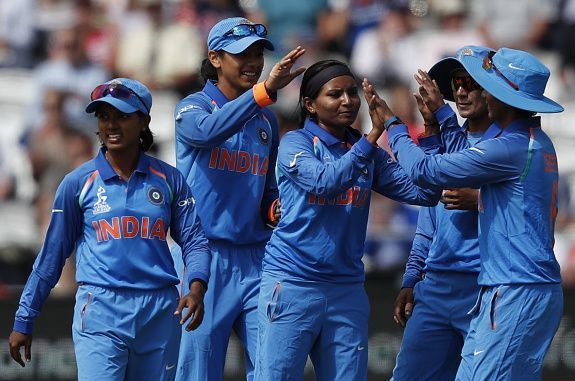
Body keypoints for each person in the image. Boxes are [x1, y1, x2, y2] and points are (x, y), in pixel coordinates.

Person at [363, 46, 564, 380]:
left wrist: (393, 125)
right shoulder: (531, 140)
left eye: (484, 84)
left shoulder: (507, 146)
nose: (475, 91)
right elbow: (449, 178)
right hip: (515, 285)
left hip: (514, 287)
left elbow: (426, 170)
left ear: (501, 95)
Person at [8, 78, 211, 380]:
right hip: (101, 309)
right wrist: (24, 318)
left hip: (159, 311)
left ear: (144, 122)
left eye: (122, 116)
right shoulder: (78, 183)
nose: (111, 125)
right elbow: (51, 257)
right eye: (104, 116)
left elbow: (195, 241)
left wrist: (196, 287)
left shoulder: (169, 179)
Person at [254, 59, 442, 381]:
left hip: (346, 290)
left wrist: (427, 133)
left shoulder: (363, 148)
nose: (347, 101)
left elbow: (424, 193)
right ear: (310, 104)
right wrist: (371, 139)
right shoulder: (295, 144)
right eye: (335, 94)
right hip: (293, 284)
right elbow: (325, 183)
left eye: (352, 93)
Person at [171, 17, 305, 381]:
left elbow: (268, 189)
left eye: (257, 53)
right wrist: (263, 92)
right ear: (215, 58)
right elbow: (208, 132)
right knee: (198, 371)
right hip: (202, 258)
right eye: (241, 54)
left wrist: (276, 209)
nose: (253, 62)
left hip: (257, 259)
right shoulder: (191, 108)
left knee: (273, 368)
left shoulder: (265, 121)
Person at [391, 46, 494, 381]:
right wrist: (411, 277)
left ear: (492, 88)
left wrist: (441, 120)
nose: (460, 90)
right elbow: (428, 221)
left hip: (484, 288)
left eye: (470, 82)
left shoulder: (506, 141)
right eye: (457, 84)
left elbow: (472, 166)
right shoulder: (448, 138)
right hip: (435, 287)